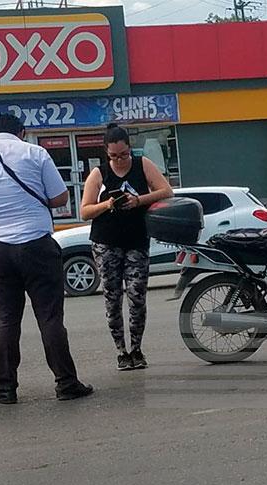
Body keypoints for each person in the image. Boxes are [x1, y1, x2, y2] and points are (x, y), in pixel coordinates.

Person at [0, 113, 93, 404]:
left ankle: (5, 389)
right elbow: (60, 198)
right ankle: (66, 383)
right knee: (49, 318)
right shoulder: (35, 153)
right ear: (22, 132)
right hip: (36, 245)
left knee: (5, 320)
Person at [80, 124, 173, 371]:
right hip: (106, 242)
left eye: (124, 154)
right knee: (112, 298)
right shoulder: (98, 173)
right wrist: (107, 204)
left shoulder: (142, 165)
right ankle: (121, 351)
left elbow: (166, 191)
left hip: (136, 240)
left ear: (130, 148)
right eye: (114, 156)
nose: (120, 160)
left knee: (137, 296)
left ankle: (137, 349)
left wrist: (139, 200)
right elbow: (85, 211)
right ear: (106, 152)